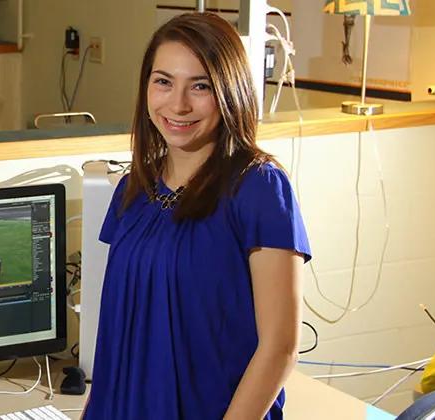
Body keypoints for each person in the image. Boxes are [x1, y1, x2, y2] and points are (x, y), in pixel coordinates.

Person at [84, 13, 311, 420]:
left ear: (230, 92)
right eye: (163, 82)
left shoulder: (258, 187)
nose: (178, 104)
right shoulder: (133, 189)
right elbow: (115, 336)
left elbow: (280, 348)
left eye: (200, 86)